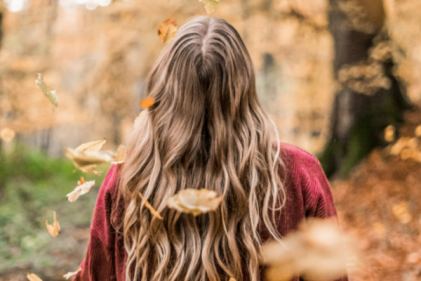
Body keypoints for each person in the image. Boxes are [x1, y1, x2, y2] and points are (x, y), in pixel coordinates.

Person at [74, 16, 348, 281]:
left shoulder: (129, 175)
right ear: (244, 90)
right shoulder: (298, 172)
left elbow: (94, 275)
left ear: (164, 92)